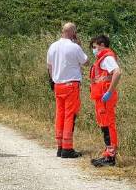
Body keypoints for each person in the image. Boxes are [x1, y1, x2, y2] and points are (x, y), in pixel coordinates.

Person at [47, 22, 88, 158]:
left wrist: (52, 80)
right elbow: (85, 62)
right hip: (71, 85)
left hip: (58, 84)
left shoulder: (53, 46)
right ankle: (67, 148)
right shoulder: (74, 47)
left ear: (62, 31)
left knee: (60, 114)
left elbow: (49, 66)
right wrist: (79, 45)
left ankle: (60, 146)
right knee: (70, 115)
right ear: (73, 32)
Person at [88, 35, 122, 167]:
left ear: (102, 45)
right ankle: (107, 154)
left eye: (95, 47)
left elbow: (117, 72)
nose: (94, 50)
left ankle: (110, 157)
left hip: (105, 97)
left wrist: (110, 91)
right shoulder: (102, 58)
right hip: (101, 97)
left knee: (108, 125)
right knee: (104, 125)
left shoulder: (107, 57)